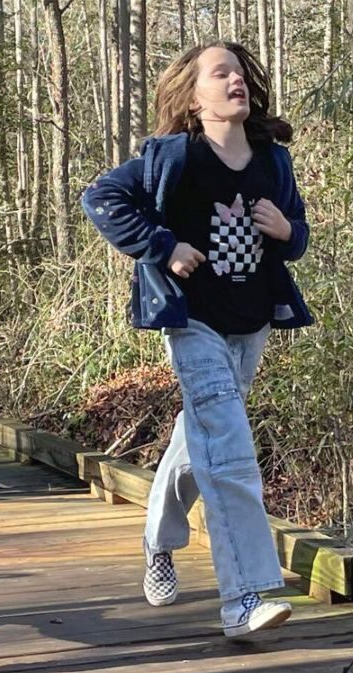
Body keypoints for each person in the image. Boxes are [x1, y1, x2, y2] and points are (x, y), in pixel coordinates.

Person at [81, 41, 312, 638]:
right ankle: (244, 598)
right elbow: (101, 198)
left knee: (202, 437)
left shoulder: (271, 159)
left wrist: (288, 231)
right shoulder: (174, 157)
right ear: (192, 95)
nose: (236, 80)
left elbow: (296, 233)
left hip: (253, 320)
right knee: (230, 451)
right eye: (221, 73)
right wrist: (164, 246)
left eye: (240, 72)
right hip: (195, 323)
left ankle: (157, 539)